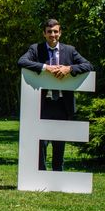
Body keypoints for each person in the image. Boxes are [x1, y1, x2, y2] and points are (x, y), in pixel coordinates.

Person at [17, 19, 93, 171]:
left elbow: (89, 65)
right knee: (42, 141)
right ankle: (41, 173)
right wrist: (46, 68)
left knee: (59, 141)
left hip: (62, 104)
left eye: (56, 31)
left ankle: (58, 173)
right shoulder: (36, 49)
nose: (53, 34)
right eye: (49, 32)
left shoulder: (70, 50)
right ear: (44, 33)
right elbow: (21, 61)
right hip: (42, 103)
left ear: (60, 33)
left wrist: (69, 69)